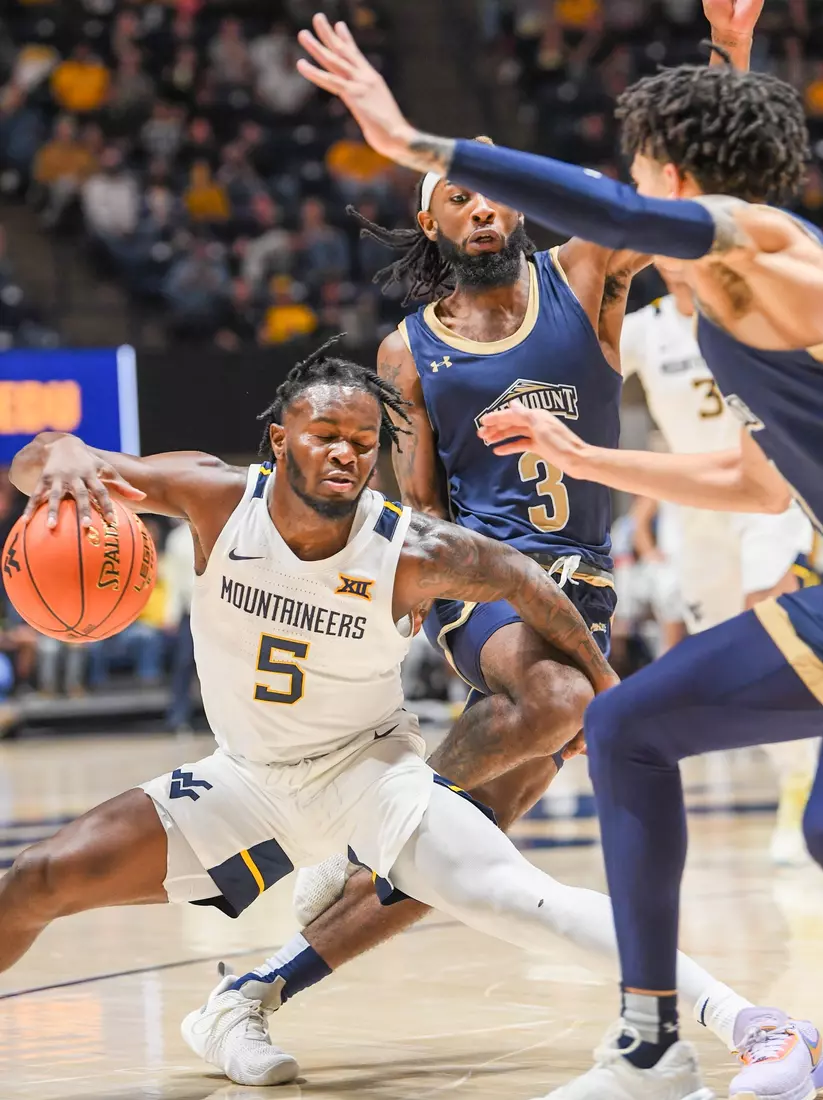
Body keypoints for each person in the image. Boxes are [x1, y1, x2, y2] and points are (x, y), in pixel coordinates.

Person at [294, 5, 823, 1099]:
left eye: (642, 163)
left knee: (598, 716)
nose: (624, 179)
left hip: (585, 572)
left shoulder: (766, 250)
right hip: (758, 575)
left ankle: (416, 842)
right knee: (633, 727)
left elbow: (645, 205)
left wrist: (420, 146)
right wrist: (588, 451)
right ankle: (654, 1041)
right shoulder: (721, 286)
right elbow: (752, 481)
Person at [7, 344, 763, 1094]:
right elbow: (31, 462)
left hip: (370, 779)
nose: (346, 453)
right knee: (36, 878)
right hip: (243, 782)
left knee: (523, 899)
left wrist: (603, 688)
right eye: (325, 434)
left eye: (364, 444)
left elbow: (523, 578)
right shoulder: (216, 498)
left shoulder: (408, 549)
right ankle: (237, 1001)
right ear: (279, 436)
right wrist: (64, 450)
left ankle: (740, 1019)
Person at [622, 269, 820, 866]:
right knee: (725, 647)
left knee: (773, 627)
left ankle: (799, 792)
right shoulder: (646, 329)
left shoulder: (748, 315)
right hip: (697, 507)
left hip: (767, 494)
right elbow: (581, 362)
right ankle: (793, 775)